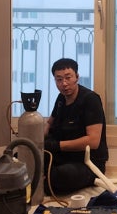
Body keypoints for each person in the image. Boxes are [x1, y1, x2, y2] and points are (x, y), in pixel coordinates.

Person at [43, 57, 108, 195]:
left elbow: (93, 141)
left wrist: (56, 145)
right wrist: (36, 143)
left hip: (88, 163)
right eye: (59, 79)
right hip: (64, 156)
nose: (64, 83)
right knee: (23, 158)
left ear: (77, 77)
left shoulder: (90, 99)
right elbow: (49, 123)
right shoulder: (61, 98)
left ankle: (43, 182)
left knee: (62, 175)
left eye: (68, 77)